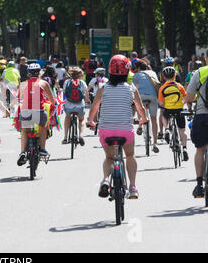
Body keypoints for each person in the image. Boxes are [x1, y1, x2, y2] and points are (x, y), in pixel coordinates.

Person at [87, 54, 147, 199]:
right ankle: (132, 187)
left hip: (105, 131)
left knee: (109, 157)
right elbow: (140, 109)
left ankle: (106, 179)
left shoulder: (102, 88)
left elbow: (94, 107)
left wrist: (90, 121)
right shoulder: (131, 88)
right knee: (130, 155)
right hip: (125, 131)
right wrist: (142, 120)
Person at [184, 47, 208, 198]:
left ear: (206, 59)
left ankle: (199, 185)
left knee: (200, 149)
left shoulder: (200, 72)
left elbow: (189, 97)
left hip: (203, 115)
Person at [17, 63, 56, 166]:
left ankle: (22, 152)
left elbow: (19, 98)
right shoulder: (43, 83)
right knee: (42, 127)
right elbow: (52, 100)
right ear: (39, 73)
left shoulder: (23, 84)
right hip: (39, 112)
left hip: (26, 112)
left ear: (29, 74)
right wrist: (53, 104)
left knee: (25, 131)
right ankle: (42, 149)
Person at [158, 66, 189, 161]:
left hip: (169, 109)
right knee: (182, 130)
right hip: (179, 110)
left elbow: (161, 103)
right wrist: (181, 103)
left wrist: (166, 105)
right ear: (175, 75)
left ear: (163, 77)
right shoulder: (179, 86)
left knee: (163, 115)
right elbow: (185, 98)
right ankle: (184, 149)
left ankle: (166, 129)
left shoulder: (162, 88)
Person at [132, 60, 160, 153]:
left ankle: (140, 124)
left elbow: (133, 88)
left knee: (138, 105)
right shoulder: (153, 73)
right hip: (153, 97)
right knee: (153, 119)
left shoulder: (136, 75)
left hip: (142, 96)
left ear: (139, 68)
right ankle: (155, 143)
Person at [62, 67, 88, 146]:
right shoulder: (82, 83)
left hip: (69, 106)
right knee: (81, 120)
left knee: (67, 117)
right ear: (80, 75)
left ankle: (66, 137)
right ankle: (80, 135)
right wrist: (87, 100)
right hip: (80, 106)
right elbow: (86, 94)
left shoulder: (67, 82)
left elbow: (64, 92)